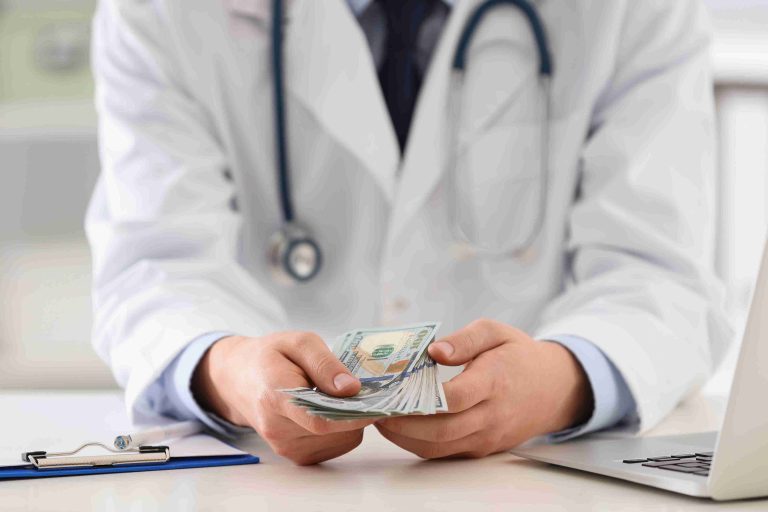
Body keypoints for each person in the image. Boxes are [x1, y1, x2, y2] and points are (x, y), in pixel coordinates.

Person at [87, 0, 731, 465]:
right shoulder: (160, 13)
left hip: (531, 475)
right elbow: (154, 267)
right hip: (266, 477)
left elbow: (657, 273)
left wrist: (559, 382)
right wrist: (230, 373)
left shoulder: (641, 11)